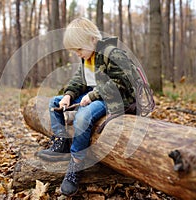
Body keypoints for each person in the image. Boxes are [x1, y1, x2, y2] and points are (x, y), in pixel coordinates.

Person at [36, 17, 137, 196]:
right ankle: (62, 142)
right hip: (94, 95)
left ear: (92, 39)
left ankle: (76, 164)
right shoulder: (88, 57)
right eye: (74, 50)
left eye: (79, 49)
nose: (77, 53)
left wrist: (92, 96)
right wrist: (69, 95)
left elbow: (125, 83)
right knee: (54, 102)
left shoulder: (111, 53)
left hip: (112, 99)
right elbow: (80, 79)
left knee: (83, 116)